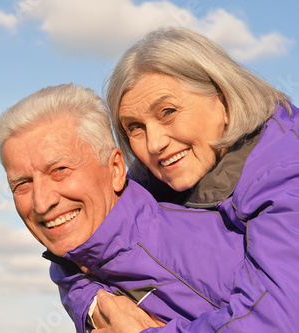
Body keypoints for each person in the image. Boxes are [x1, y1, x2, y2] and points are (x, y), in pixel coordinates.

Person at [0, 84, 246, 333]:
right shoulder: (73, 265)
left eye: (60, 170)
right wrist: (92, 304)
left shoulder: (205, 249)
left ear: (115, 169)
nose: (41, 203)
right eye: (22, 184)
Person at [98, 27, 299, 332]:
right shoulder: (151, 176)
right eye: (135, 127)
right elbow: (79, 236)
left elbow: (276, 320)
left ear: (223, 98)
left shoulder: (287, 168)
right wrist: (95, 307)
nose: (154, 144)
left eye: (167, 112)